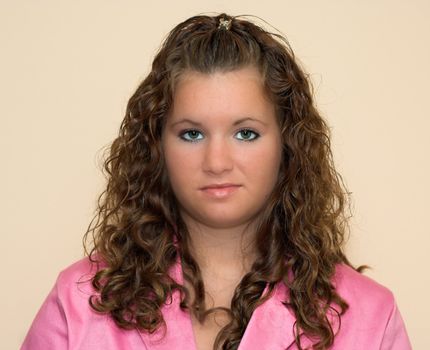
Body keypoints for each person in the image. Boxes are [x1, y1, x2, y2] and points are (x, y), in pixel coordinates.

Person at [21, 13, 412, 350]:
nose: (217, 162)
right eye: (192, 134)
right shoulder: (79, 299)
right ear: (157, 146)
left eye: (246, 133)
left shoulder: (369, 315)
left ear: (287, 145)